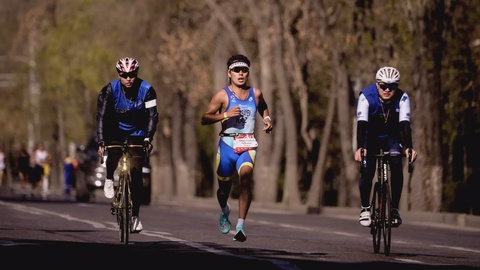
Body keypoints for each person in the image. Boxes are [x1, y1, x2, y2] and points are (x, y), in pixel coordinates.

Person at [200, 54, 273, 242]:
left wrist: (266, 118)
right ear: (229, 73)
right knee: (223, 189)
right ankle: (225, 209)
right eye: (236, 70)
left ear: (248, 73)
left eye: (244, 70)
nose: (241, 74)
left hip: (247, 144)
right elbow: (205, 118)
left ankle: (240, 226)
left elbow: (263, 106)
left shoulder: (255, 93)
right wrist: (225, 115)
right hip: (227, 145)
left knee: (246, 180)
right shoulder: (222, 95)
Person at [96, 57, 158, 233]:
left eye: (132, 75)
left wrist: (148, 138)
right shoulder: (109, 90)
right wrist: (101, 140)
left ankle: (135, 217)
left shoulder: (147, 90)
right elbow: (101, 116)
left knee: (136, 174)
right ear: (119, 75)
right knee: (114, 154)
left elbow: (153, 115)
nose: (128, 79)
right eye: (124, 75)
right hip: (114, 130)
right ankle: (109, 178)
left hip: (138, 132)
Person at [354, 66, 418, 227]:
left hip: (392, 136)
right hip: (371, 136)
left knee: (397, 164)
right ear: (377, 84)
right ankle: (365, 208)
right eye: (383, 86)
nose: (388, 90)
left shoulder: (403, 98)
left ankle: (394, 209)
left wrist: (408, 147)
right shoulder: (366, 97)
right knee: (367, 169)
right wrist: (360, 147)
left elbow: (404, 125)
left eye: (392, 86)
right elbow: (361, 125)